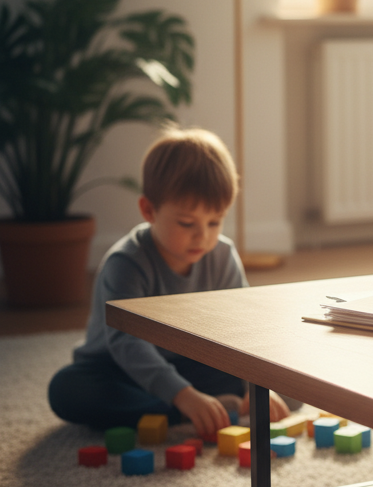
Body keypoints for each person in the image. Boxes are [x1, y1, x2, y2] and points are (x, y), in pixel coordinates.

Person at [48, 128, 290, 438]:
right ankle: (181, 413)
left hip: (192, 365)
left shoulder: (223, 255)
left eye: (214, 222)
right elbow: (127, 344)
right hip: (118, 369)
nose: (202, 235)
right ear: (149, 210)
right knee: (67, 390)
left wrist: (257, 388)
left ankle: (209, 409)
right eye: (187, 223)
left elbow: (243, 331)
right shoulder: (127, 262)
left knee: (288, 385)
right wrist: (184, 396)